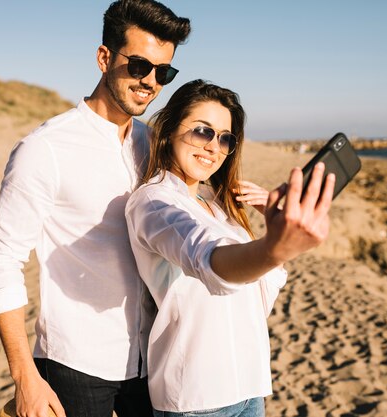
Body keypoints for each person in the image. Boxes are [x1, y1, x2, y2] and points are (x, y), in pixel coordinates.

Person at [0, 1, 190, 416]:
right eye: (139, 66)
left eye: (163, 72)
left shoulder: (154, 145)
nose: (150, 81)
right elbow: (2, 261)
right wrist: (25, 379)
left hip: (151, 358)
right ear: (104, 57)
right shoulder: (44, 150)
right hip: (75, 363)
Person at [125, 79, 335, 416]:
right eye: (202, 131)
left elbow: (255, 300)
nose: (213, 147)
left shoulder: (218, 204)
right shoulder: (155, 202)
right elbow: (206, 257)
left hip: (249, 385)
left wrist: (272, 234)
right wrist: (274, 249)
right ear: (168, 130)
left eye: (225, 138)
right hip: (197, 398)